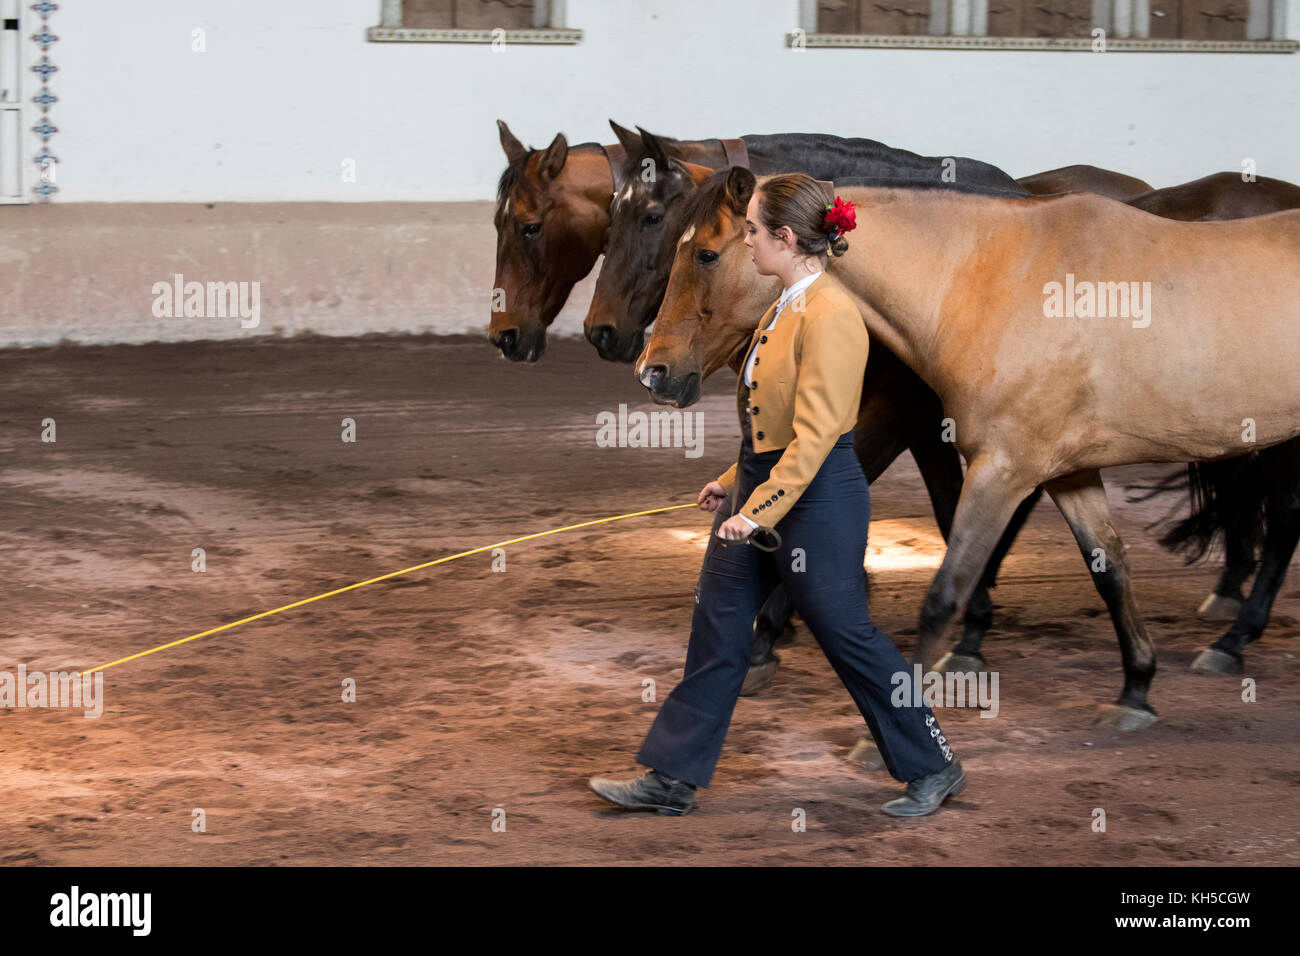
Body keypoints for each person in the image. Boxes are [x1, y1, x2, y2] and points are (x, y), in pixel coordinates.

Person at [589, 173, 964, 817]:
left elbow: (817, 437)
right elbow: (773, 423)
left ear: (786, 239)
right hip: (764, 485)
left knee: (847, 634)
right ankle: (671, 777)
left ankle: (933, 764)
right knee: (718, 628)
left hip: (818, 500)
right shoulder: (782, 306)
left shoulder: (834, 316)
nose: (748, 241)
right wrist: (733, 483)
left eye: (755, 231)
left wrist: (756, 512)